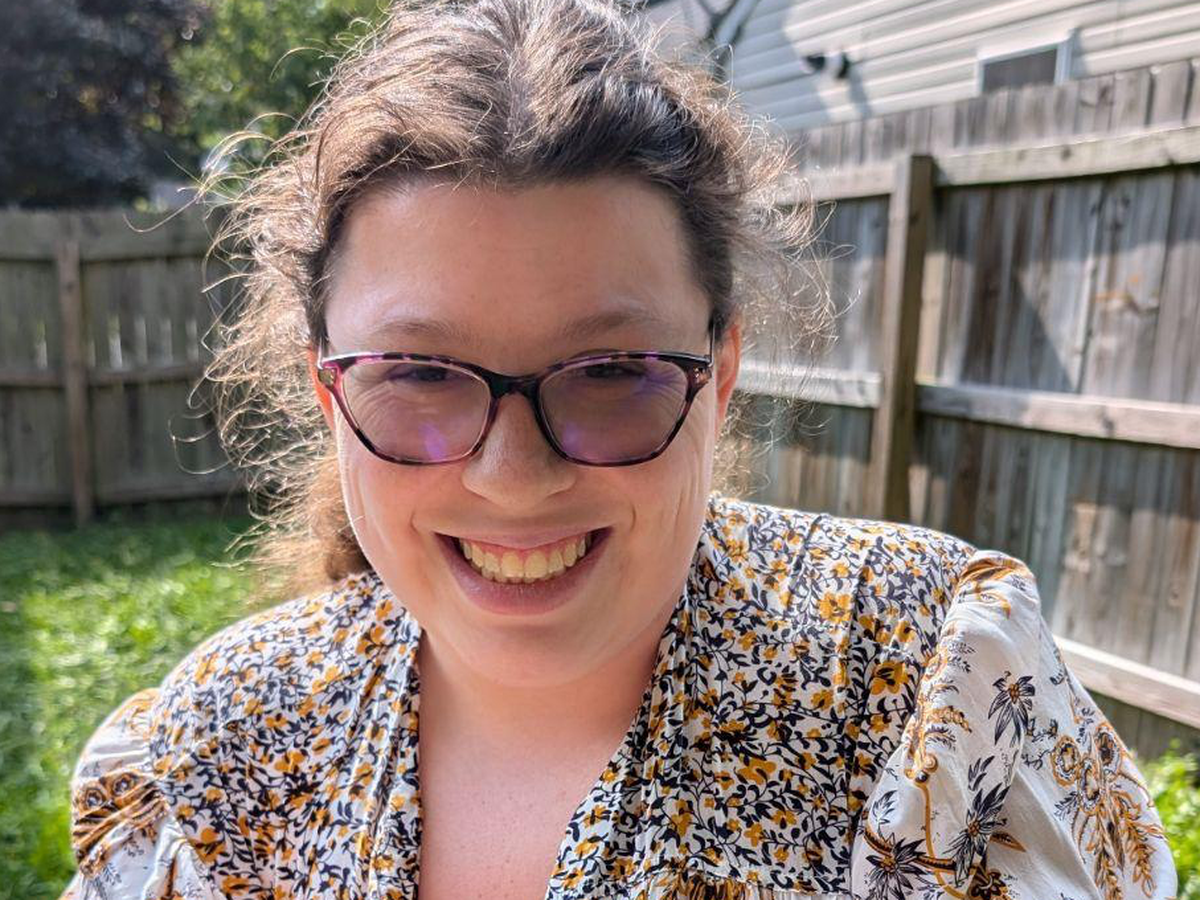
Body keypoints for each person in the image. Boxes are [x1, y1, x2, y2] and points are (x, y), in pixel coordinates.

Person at [61, 0, 1177, 898]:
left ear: (721, 371)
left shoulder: (929, 693)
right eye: (419, 376)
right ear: (327, 391)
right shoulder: (219, 747)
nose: (513, 478)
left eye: (610, 373)